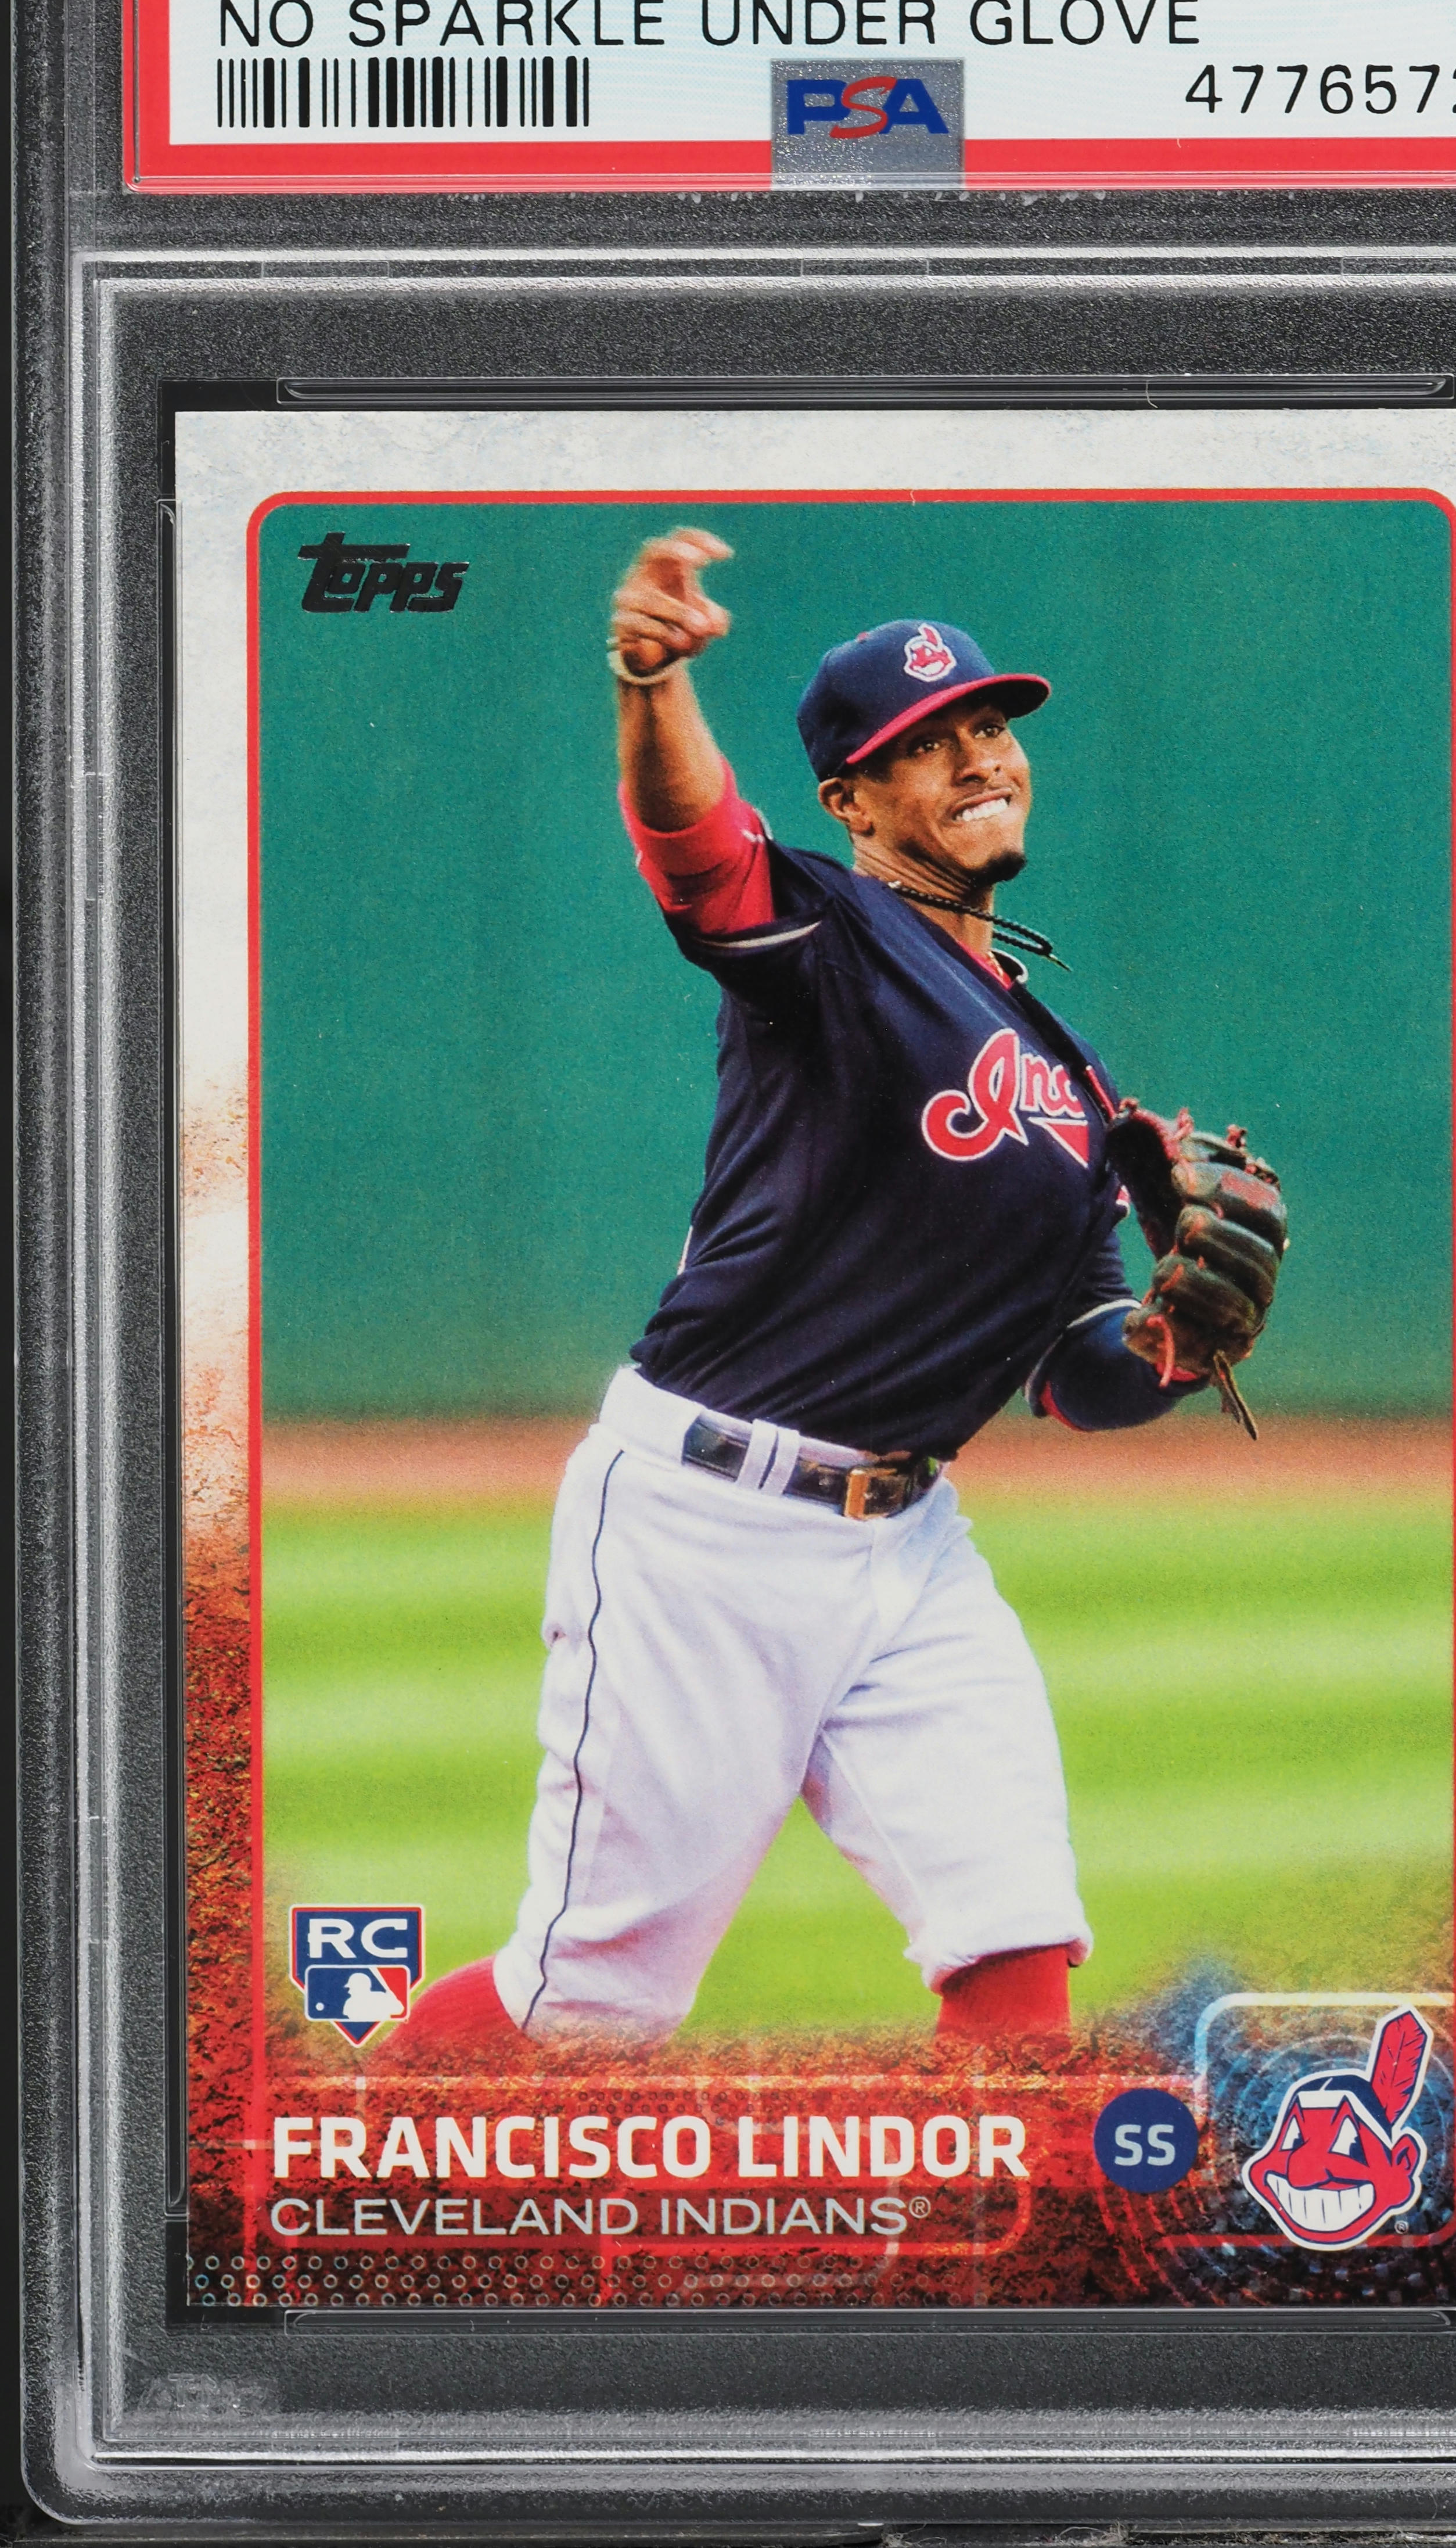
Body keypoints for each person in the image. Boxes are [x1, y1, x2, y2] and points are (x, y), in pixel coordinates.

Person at [391, 529, 1241, 2060]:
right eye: (925, 743)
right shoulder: (827, 939)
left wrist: (1176, 1344)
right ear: (852, 801)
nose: (977, 758)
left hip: (908, 1546)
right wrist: (652, 683)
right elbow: (695, 848)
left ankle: (1002, 2223)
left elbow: (1077, 1368)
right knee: (586, 2007)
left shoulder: (1067, 1077)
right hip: (705, 1527)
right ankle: (292, 2168)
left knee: (1014, 1943)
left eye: (989, 725)